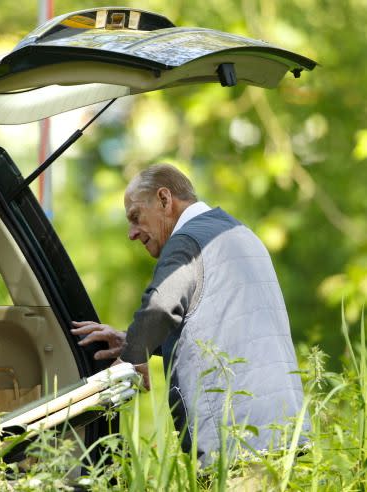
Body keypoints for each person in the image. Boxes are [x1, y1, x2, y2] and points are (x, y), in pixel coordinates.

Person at [71, 164, 307, 467]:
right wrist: (131, 339)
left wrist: (132, 358)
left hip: (238, 445)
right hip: (287, 433)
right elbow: (210, 319)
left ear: (164, 199)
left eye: (135, 217)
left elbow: (161, 304)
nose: (131, 233)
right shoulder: (239, 233)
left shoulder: (187, 240)